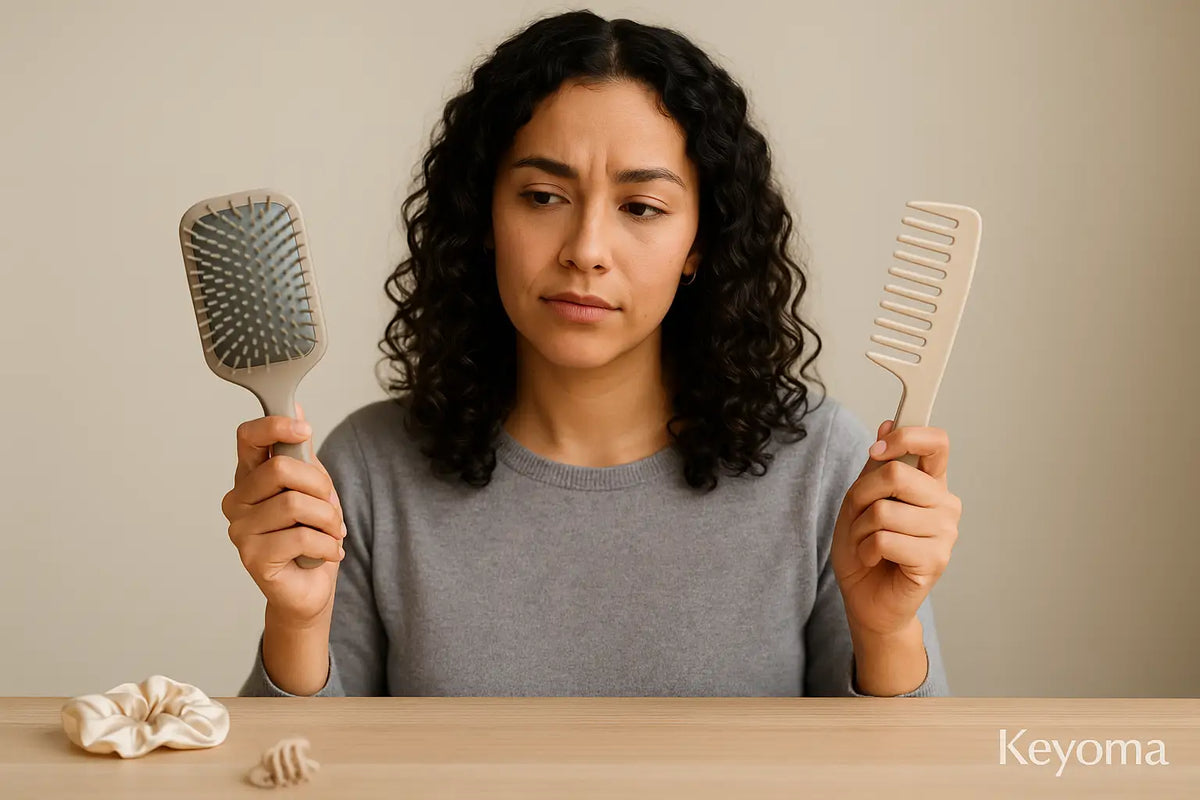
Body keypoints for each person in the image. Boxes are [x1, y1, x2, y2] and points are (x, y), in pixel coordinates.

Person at [228, 9, 960, 698]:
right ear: (485, 215)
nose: (585, 252)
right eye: (543, 196)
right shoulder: (369, 471)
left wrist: (885, 630)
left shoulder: (825, 465)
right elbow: (293, 775)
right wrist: (296, 621)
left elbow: (914, 780)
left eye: (641, 208)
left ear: (700, 242)